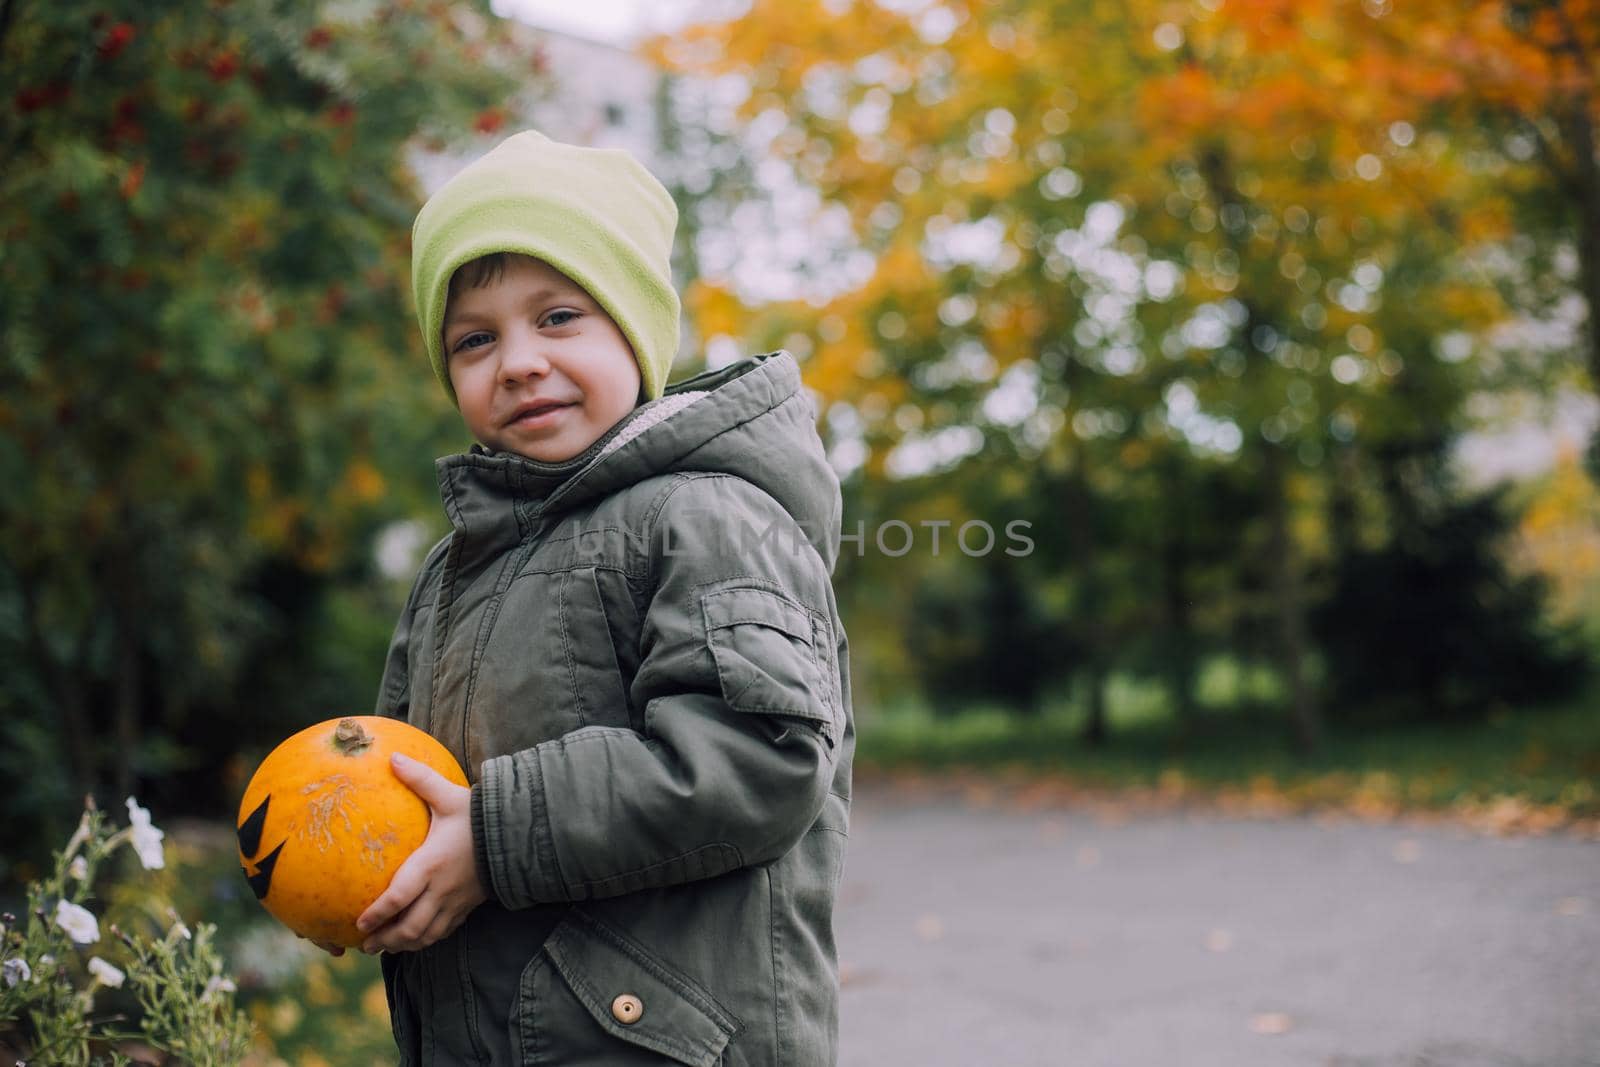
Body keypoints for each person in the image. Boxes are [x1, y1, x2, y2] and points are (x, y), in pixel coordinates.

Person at [354, 128, 853, 1066]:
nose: (518, 361)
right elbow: (414, 777)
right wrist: (362, 858)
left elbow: (760, 755)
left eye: (557, 318)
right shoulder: (455, 571)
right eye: (474, 338)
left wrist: (493, 837)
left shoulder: (707, 514)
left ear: (635, 327)